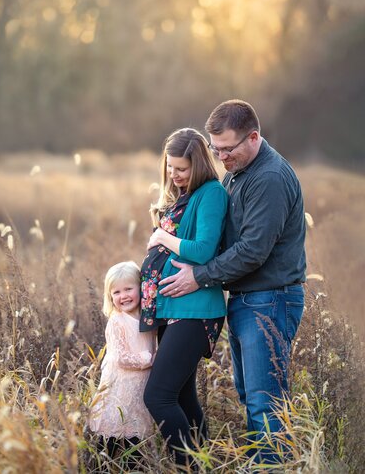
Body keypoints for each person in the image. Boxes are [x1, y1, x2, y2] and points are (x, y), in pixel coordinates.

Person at [159, 100, 306, 463]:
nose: (220, 156)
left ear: (253, 137)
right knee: (250, 397)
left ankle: (271, 469)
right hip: (248, 299)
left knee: (264, 404)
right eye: (215, 148)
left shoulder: (268, 178)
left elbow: (253, 250)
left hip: (270, 300)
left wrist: (199, 276)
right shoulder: (240, 172)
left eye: (227, 148)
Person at [140, 127, 228, 468]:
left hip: (195, 310)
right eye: (170, 167)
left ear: (199, 164)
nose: (174, 175)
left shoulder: (211, 194)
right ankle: (206, 465)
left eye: (181, 168)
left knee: (158, 397)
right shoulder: (182, 196)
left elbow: (204, 250)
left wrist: (164, 237)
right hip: (172, 307)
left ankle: (188, 467)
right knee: (182, 397)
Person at [87, 261, 156, 469]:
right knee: (110, 436)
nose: (123, 296)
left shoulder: (149, 319)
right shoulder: (117, 321)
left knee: (134, 442)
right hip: (119, 389)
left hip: (138, 391)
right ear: (109, 297)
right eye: (116, 292)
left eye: (128, 289)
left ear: (141, 288)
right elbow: (121, 358)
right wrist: (149, 359)